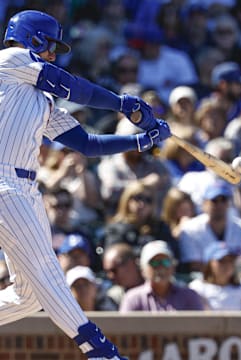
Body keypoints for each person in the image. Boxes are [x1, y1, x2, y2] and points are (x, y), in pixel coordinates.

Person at [0, 10, 172, 360]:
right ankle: (98, 349)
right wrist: (123, 103)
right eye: (50, 46)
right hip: (4, 181)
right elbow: (70, 85)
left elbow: (86, 144)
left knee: (29, 295)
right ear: (33, 38)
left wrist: (141, 142)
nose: (54, 53)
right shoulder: (11, 59)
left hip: (26, 189)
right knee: (47, 269)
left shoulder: (37, 97)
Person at [178, 180, 241, 273]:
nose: (219, 205)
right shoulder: (190, 230)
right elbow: (195, 265)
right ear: (204, 203)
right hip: (203, 282)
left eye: (223, 200)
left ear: (228, 203)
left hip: (237, 281)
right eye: (214, 201)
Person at [120, 240, 204, 312]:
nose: (161, 268)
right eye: (154, 263)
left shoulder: (189, 296)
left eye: (166, 262)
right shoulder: (133, 298)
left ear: (173, 266)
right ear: (142, 269)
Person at [189, 242, 241, 310]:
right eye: (222, 261)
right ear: (209, 264)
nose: (227, 265)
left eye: (230, 261)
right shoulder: (196, 288)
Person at [102, 243, 144, 308]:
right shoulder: (113, 297)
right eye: (107, 272)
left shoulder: (155, 287)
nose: (110, 276)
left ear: (131, 263)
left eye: (114, 270)